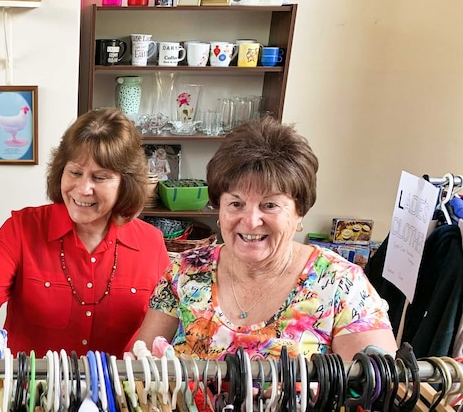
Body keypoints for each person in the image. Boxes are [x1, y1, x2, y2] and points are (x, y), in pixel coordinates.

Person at [135, 116, 397, 361]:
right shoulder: (184, 270)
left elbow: (377, 391)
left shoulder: (341, 285)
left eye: (269, 205)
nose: (250, 221)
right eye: (236, 204)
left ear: (299, 212)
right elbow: (140, 369)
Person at [0, 107, 170, 355]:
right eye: (75, 172)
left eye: (100, 177)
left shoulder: (151, 244)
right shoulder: (20, 229)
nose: (83, 188)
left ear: (125, 184)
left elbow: (162, 327)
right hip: (28, 390)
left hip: (117, 391)